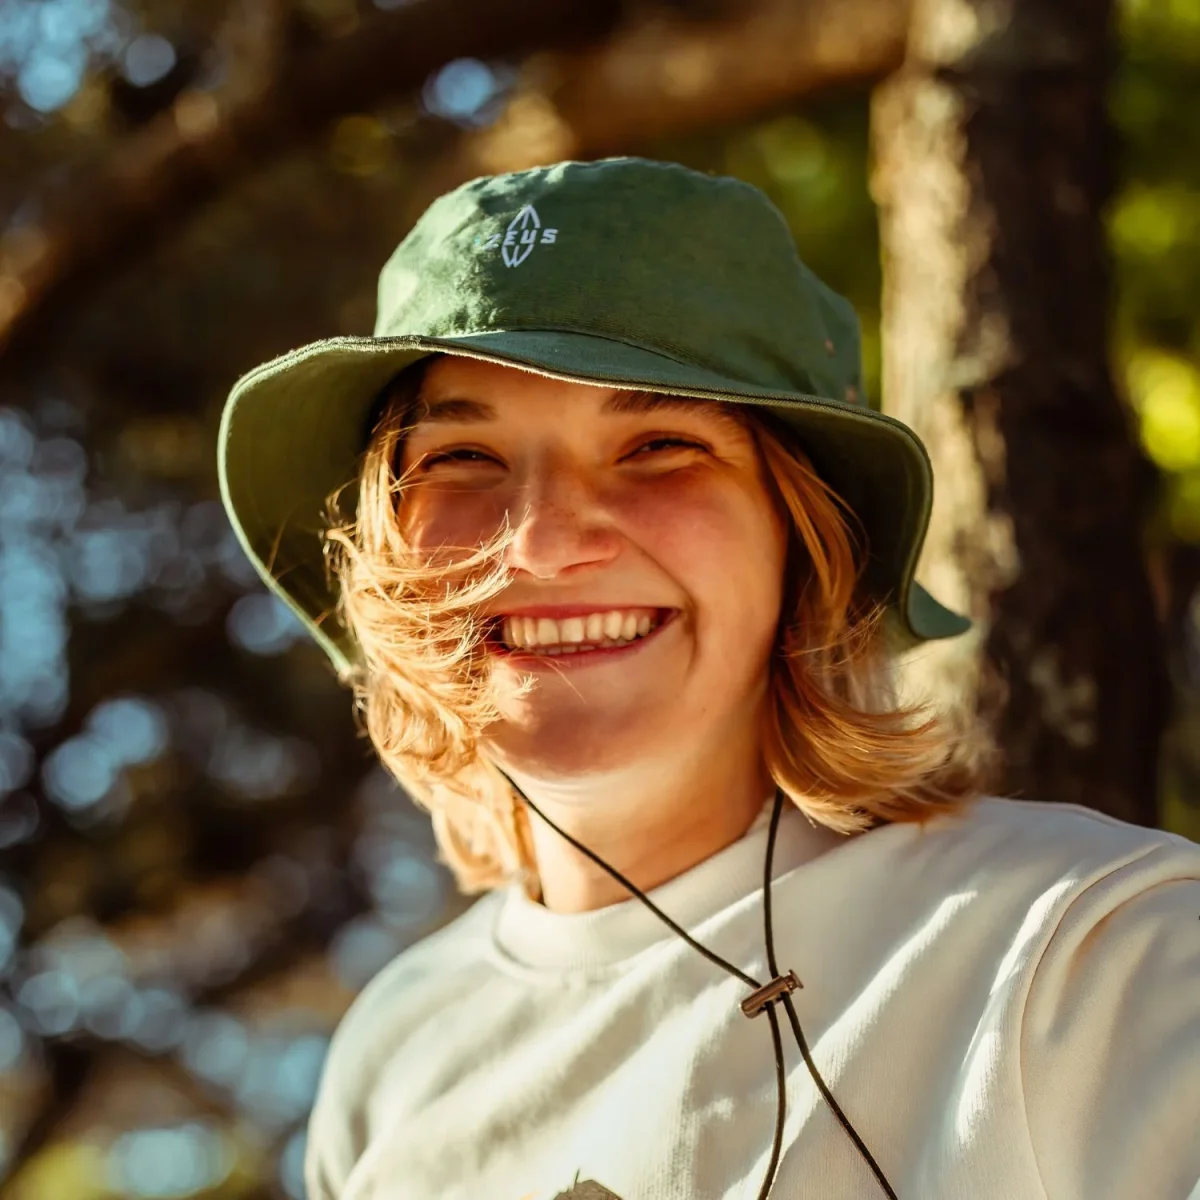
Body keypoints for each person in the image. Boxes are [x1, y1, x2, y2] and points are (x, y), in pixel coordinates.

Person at [218, 158, 1200, 1200]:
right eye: (463, 458)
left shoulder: (1088, 953)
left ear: (804, 539)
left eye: (658, 446)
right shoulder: (393, 1060)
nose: (544, 542)